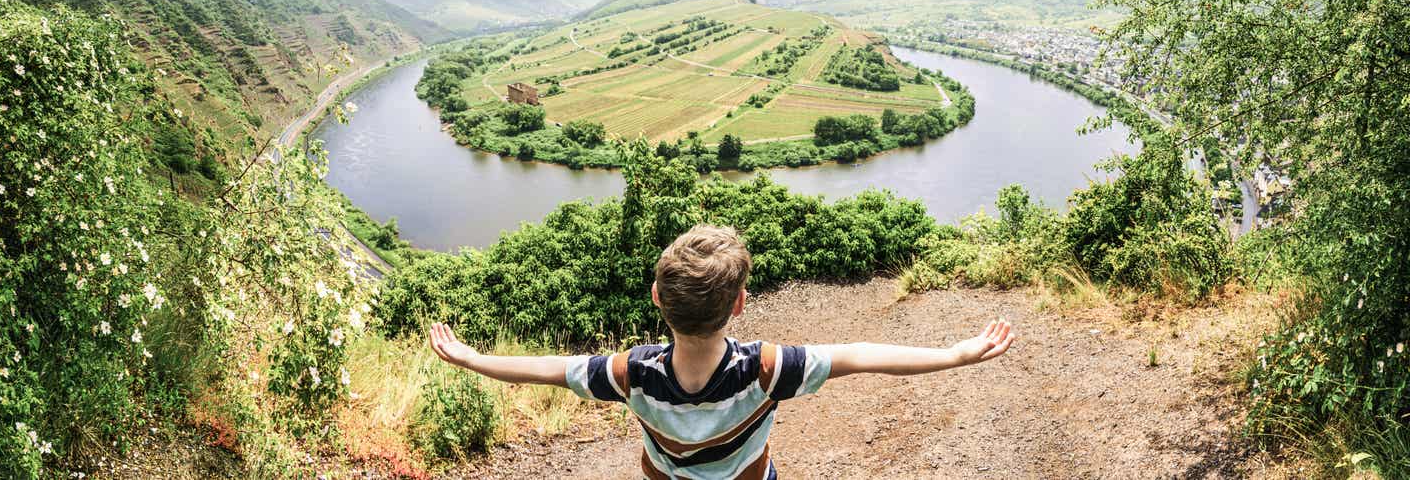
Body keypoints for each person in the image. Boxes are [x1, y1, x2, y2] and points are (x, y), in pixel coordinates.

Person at [428, 224, 1016, 479]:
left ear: (657, 298)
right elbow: (861, 354)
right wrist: (955, 354)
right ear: (738, 306)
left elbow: (549, 371)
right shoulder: (766, 370)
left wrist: (473, 358)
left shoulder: (632, 374)